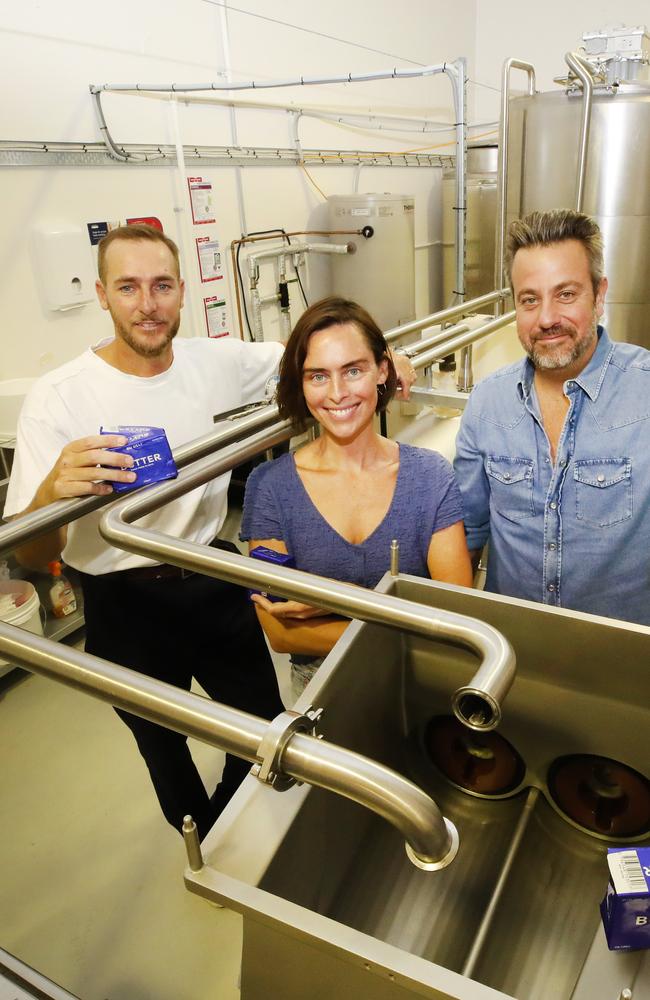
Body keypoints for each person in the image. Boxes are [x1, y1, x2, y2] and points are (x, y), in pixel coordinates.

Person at [4, 223, 288, 841]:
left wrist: (381, 356)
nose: (147, 303)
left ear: (182, 291)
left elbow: (309, 353)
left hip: (214, 575)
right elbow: (29, 551)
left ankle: (241, 826)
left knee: (263, 726)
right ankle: (203, 840)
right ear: (103, 296)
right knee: (163, 746)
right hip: (123, 604)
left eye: (161, 285)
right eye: (128, 287)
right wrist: (54, 487)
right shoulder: (60, 398)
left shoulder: (216, 361)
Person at [240, 297, 473, 698]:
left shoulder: (430, 476)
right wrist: (402, 621)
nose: (337, 393)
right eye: (317, 376)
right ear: (301, 383)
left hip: (418, 683)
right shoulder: (270, 487)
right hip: (320, 689)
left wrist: (333, 605)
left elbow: (454, 615)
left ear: (383, 370)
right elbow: (279, 631)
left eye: (353, 370)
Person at [453, 209, 650, 625]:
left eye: (565, 294)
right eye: (529, 299)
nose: (546, 319)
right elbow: (467, 538)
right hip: (513, 655)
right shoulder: (488, 405)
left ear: (599, 296)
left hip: (624, 665)